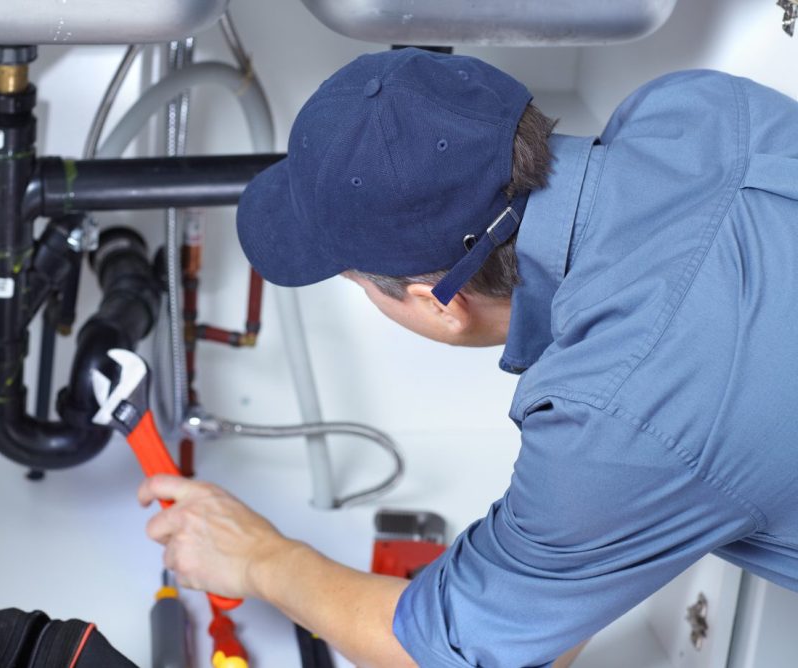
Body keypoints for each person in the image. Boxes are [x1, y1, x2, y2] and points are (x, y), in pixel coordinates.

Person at [137, 47, 798, 667]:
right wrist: (552, 580)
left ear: (438, 305)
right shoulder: (695, 107)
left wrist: (259, 559)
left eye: (360, 284)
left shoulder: (611, 421)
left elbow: (444, 653)